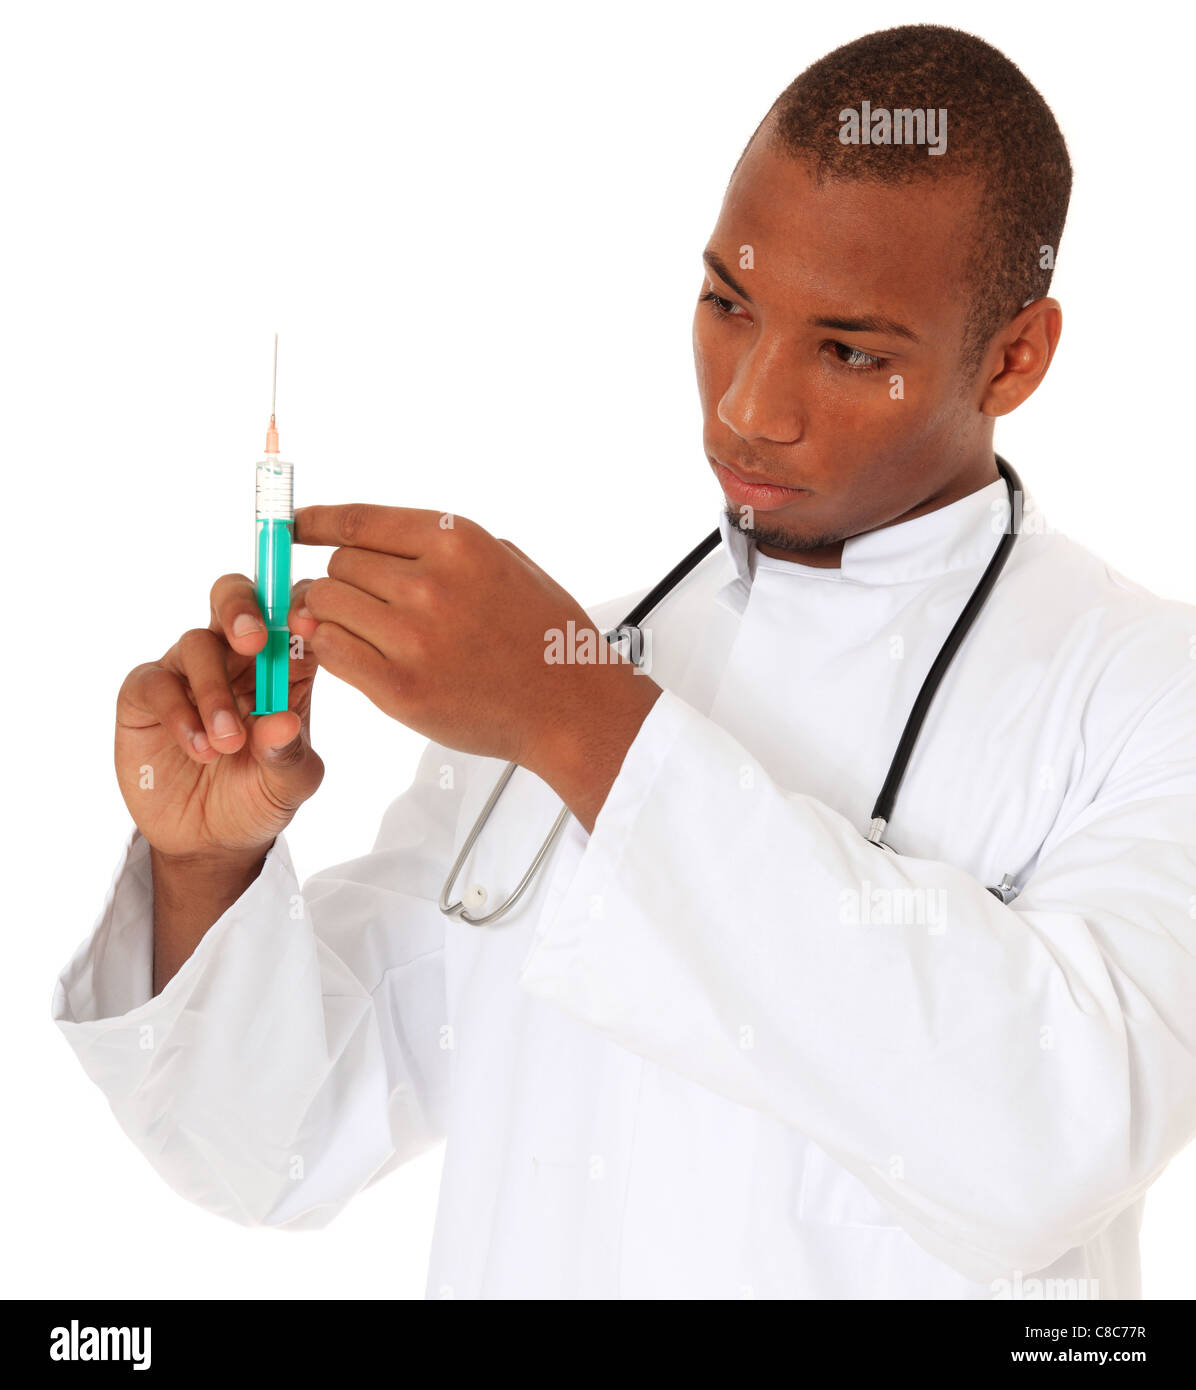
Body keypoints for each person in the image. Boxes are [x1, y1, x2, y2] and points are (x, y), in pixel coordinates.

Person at [52, 24, 1196, 1300]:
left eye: (851, 350)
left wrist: (577, 720)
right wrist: (206, 862)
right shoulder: (584, 656)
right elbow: (279, 1143)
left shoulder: (1143, 691)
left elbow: (1044, 1142)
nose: (747, 404)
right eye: (726, 304)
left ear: (1014, 356)